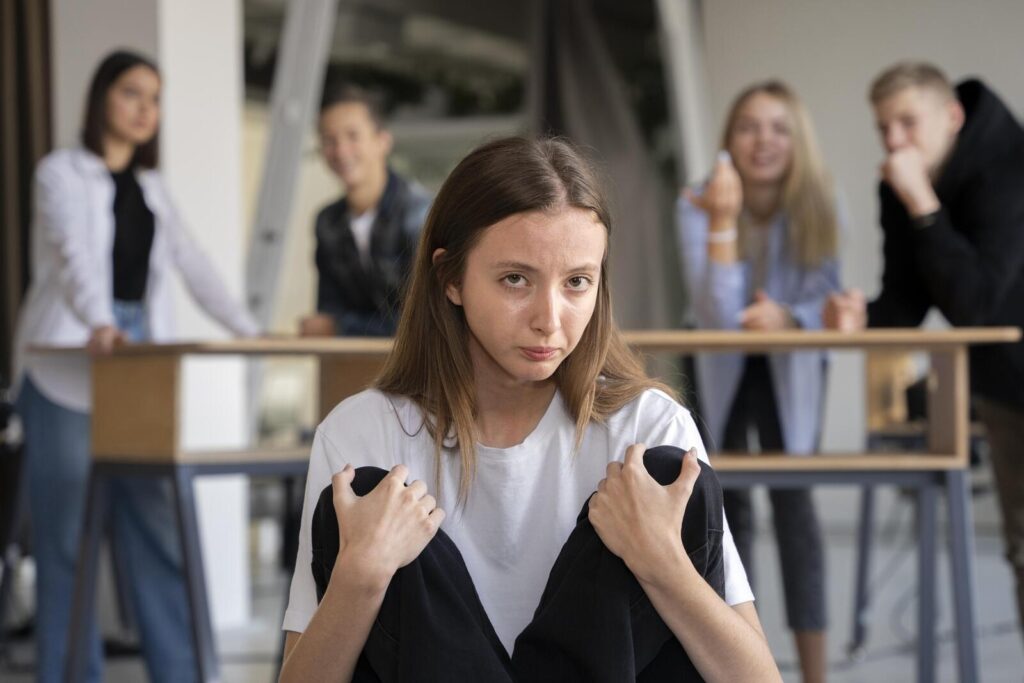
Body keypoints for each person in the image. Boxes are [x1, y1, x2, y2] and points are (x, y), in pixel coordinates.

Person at [278, 136, 781, 682]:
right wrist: (362, 577)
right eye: (515, 279)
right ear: (451, 280)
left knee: (661, 473)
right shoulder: (360, 433)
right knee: (369, 492)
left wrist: (663, 565)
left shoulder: (648, 425)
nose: (549, 317)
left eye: (576, 283)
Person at [10, 50, 258, 683]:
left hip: (139, 371)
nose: (146, 108)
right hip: (67, 370)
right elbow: (73, 257)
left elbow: (194, 264)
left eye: (154, 97)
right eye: (131, 93)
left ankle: (185, 675)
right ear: (101, 100)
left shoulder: (150, 189)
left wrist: (249, 331)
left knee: (159, 533)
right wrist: (100, 320)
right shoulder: (60, 174)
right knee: (67, 543)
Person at [825, 61, 1024, 649]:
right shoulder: (899, 186)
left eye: (906, 123)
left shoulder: (1010, 167)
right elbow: (908, 303)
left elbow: (979, 303)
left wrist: (922, 202)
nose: (893, 143)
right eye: (883, 128)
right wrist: (863, 315)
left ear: (952, 117)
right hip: (1004, 386)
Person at [676, 80, 839, 683]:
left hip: (790, 366)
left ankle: (815, 675)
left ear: (797, 141)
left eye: (777, 127)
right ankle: (743, 669)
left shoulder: (821, 202)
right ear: (729, 139)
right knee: (726, 514)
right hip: (719, 363)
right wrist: (722, 218)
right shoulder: (697, 200)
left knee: (796, 513)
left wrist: (791, 318)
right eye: (748, 125)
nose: (762, 139)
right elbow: (718, 315)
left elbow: (824, 296)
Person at [299, 85, 431, 338]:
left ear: (383, 141)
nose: (340, 151)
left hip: (422, 368)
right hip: (356, 367)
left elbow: (425, 322)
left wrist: (341, 328)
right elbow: (327, 313)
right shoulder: (328, 222)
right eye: (329, 140)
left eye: (352, 136)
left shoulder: (421, 213)